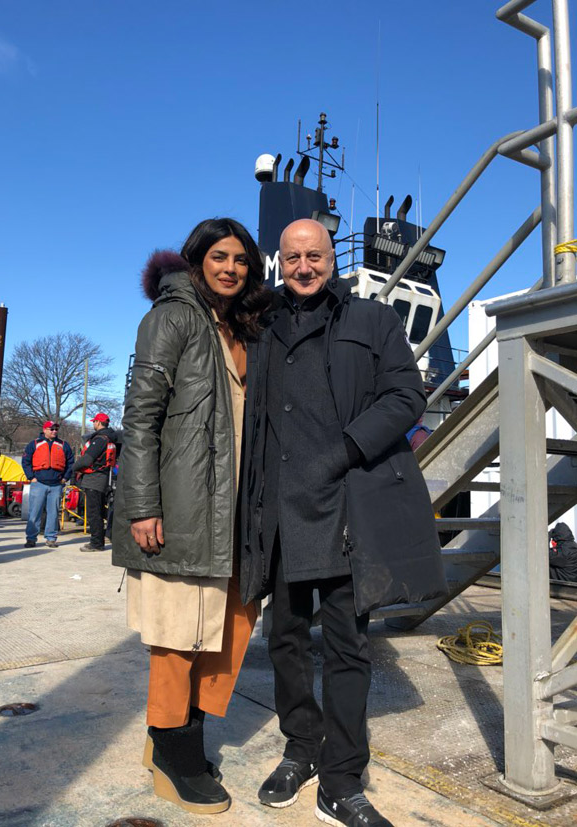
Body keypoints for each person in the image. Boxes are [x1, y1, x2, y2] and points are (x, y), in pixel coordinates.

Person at [240, 218, 447, 827]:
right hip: (279, 506)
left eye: (316, 255)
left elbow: (407, 396)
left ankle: (342, 778)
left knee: (348, 645)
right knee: (283, 639)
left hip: (343, 501)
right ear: (281, 262)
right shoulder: (263, 325)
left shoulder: (374, 320)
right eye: (294, 256)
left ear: (332, 258)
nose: (305, 266)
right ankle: (302, 748)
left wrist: (344, 451)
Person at [112, 218, 271, 815]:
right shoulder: (171, 317)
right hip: (181, 506)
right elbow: (140, 418)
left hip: (235, 513)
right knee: (178, 635)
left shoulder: (244, 327)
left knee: (228, 632)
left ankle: (174, 741)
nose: (231, 268)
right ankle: (175, 755)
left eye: (241, 260)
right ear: (196, 260)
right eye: (219, 257)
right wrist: (143, 506)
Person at [22, 421, 74, 549]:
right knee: (34, 512)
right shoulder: (34, 444)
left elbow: (71, 463)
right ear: (44, 430)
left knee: (53, 513)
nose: (54, 431)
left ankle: (51, 538)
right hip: (38, 483)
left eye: (56, 429)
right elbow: (26, 461)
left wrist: (65, 478)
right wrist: (31, 477)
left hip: (56, 485)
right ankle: (31, 538)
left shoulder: (63, 445)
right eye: (51, 429)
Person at [72, 412, 118, 552]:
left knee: (94, 512)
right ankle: (105, 536)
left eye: (94, 422)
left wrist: (73, 469)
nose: (93, 424)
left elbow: (87, 459)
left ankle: (96, 543)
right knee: (99, 510)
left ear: (98, 422)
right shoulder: (110, 438)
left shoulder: (99, 439)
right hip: (103, 478)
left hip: (94, 479)